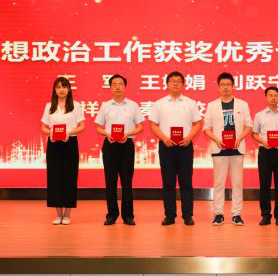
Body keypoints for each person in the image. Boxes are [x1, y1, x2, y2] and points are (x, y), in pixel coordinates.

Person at [149, 71, 203, 226]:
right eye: (172, 81)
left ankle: (187, 215)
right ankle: (170, 215)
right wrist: (164, 138)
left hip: (185, 146)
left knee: (186, 182)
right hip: (166, 146)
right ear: (167, 84)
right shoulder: (159, 103)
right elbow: (153, 124)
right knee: (168, 182)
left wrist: (189, 138)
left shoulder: (190, 103)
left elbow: (197, 123)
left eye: (178, 81)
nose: (175, 83)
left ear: (183, 84)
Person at [94, 74, 145, 226]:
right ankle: (111, 215)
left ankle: (128, 216)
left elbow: (140, 126)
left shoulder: (133, 105)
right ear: (110, 88)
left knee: (127, 182)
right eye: (114, 84)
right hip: (110, 145)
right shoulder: (105, 106)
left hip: (126, 145)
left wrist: (128, 134)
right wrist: (107, 134)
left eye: (120, 84)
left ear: (125, 86)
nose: (117, 87)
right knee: (110, 182)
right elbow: (98, 127)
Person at [203, 72, 252, 226]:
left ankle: (236, 214)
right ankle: (218, 214)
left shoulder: (243, 104)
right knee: (219, 183)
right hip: (219, 149)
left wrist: (240, 138)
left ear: (233, 86)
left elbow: (248, 125)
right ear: (218, 87)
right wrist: (216, 140)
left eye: (228, 85)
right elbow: (206, 128)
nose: (225, 87)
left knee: (237, 183)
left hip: (237, 149)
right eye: (222, 85)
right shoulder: (212, 105)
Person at [40, 76, 85, 225]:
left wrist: (69, 133)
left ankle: (67, 215)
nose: (61, 90)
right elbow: (43, 127)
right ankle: (58, 214)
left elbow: (82, 126)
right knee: (55, 178)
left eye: (64, 87)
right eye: (58, 87)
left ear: (69, 89)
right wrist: (51, 133)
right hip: (54, 144)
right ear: (54, 90)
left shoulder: (75, 106)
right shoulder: (49, 106)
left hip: (70, 143)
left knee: (69, 178)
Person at [251, 86, 278, 226]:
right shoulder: (259, 115)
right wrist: (263, 141)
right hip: (265, 152)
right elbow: (254, 134)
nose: (273, 98)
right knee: (264, 185)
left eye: (276, 95)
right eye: (270, 95)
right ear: (266, 97)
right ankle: (265, 215)